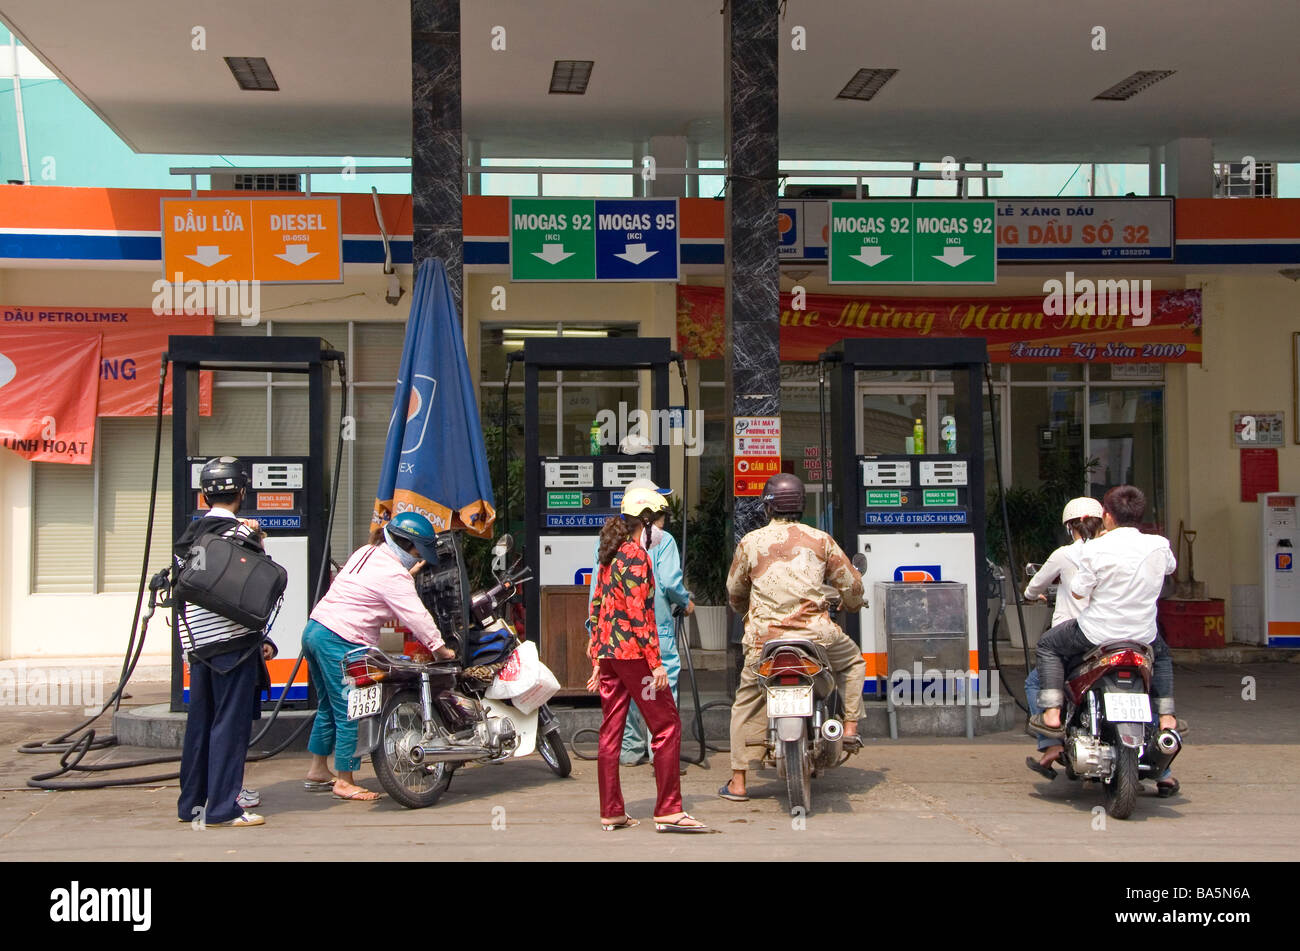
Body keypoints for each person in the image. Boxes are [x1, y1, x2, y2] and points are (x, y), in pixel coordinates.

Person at [719, 473, 865, 803]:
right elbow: (853, 586)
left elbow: (734, 591)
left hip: (763, 642)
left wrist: (747, 612)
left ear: (767, 507)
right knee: (854, 663)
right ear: (801, 505)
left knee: (744, 701)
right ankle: (851, 728)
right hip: (816, 637)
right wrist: (852, 605)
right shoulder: (821, 539)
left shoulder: (750, 542)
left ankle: (739, 781)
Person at [301, 511, 456, 802]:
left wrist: (405, 577)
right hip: (340, 639)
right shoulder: (394, 574)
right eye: (417, 551)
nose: (416, 557)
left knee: (328, 706)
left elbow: (373, 585)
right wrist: (440, 649)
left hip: (315, 630)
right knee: (352, 707)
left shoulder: (367, 552)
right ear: (409, 547)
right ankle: (345, 780)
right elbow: (417, 617)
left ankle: (318, 769)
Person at [586, 488, 708, 833]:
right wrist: (655, 664)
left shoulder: (609, 554)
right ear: (646, 523)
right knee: (667, 725)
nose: (662, 528)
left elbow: (598, 606)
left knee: (611, 731)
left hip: (611, 656)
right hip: (634, 659)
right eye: (660, 521)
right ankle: (669, 809)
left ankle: (611, 811)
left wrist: (597, 656)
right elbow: (640, 616)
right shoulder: (637, 558)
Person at [1029, 486, 1179, 760]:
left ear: (1108, 515)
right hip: (1143, 635)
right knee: (1164, 656)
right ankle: (1167, 716)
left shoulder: (1096, 548)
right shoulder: (1159, 545)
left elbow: (1078, 592)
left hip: (1096, 633)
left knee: (1048, 645)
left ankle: (1051, 712)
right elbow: (1169, 568)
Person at [174, 456, 279, 828]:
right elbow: (257, 590)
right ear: (243, 492)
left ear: (204, 495)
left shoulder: (189, 537)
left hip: (196, 644)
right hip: (233, 646)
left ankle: (192, 804)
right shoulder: (243, 535)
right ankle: (222, 807)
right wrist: (258, 540)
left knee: (200, 724)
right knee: (229, 727)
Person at [587, 478, 694, 767]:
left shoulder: (609, 542)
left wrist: (593, 632)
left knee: (630, 691)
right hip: (652, 628)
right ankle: (662, 754)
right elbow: (671, 582)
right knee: (661, 690)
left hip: (616, 638)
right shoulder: (662, 540)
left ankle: (632, 750)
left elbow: (598, 591)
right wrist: (686, 602)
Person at [1022, 497, 1103, 778]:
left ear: (1071, 527)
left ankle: (1051, 740)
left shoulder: (1065, 554)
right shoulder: (1113, 550)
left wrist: (1033, 596)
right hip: (1122, 634)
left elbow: (1033, 588)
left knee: (1035, 681)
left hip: (1077, 635)